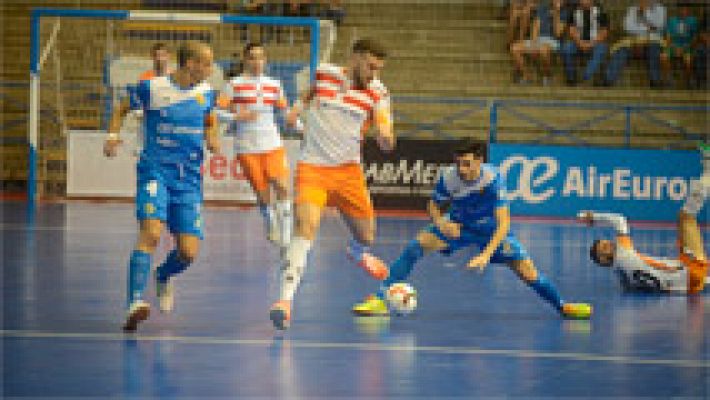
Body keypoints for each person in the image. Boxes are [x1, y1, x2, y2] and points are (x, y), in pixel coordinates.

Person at [352, 141, 593, 320]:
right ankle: (381, 299)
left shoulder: (493, 180)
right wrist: (440, 224)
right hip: (460, 226)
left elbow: (504, 223)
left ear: (479, 161)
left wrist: (486, 254)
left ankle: (563, 306)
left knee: (529, 273)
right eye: (458, 163)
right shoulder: (449, 177)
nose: (462, 169)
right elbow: (433, 205)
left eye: (467, 164)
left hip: (491, 232)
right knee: (416, 246)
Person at [269, 38, 395, 330]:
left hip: (349, 172)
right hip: (313, 167)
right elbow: (311, 91)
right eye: (370, 66)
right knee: (305, 227)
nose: (374, 74)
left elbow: (385, 125)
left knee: (367, 235)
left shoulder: (378, 92)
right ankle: (284, 301)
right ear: (355, 59)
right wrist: (297, 108)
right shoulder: (325, 73)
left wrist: (386, 137)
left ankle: (356, 251)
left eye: (379, 69)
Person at [104, 41, 220, 332]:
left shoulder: (206, 93)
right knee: (151, 231)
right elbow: (121, 109)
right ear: (189, 63)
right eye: (206, 63)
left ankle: (164, 275)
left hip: (189, 179)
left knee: (189, 252)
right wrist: (112, 135)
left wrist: (212, 137)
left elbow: (210, 117)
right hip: (156, 171)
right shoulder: (152, 88)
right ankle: (134, 302)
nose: (210, 69)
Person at [578, 146, 709, 294]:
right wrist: (594, 217)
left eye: (605, 242)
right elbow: (619, 220)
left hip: (687, 286)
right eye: (603, 247)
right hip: (690, 272)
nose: (609, 243)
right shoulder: (622, 254)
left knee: (682, 227)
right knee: (686, 217)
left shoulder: (622, 277)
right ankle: (708, 168)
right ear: (603, 260)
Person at [217, 42, 292, 248]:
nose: (257, 62)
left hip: (272, 143)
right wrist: (236, 115)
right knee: (262, 193)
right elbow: (216, 113)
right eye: (252, 57)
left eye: (260, 57)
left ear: (265, 60)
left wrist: (300, 125)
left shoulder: (275, 84)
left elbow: (285, 112)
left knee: (282, 186)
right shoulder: (233, 85)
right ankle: (270, 221)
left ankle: (287, 234)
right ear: (245, 59)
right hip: (247, 146)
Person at [605, 0, 666, 88]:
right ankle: (608, 80)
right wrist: (648, 28)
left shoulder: (660, 9)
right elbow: (627, 27)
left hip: (653, 41)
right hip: (634, 40)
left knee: (654, 51)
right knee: (621, 52)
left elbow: (660, 25)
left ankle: (655, 81)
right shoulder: (633, 9)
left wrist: (644, 14)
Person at [510, 0, 568, 85]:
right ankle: (526, 76)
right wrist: (533, 43)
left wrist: (556, 15)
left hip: (552, 41)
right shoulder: (543, 8)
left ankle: (547, 76)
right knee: (514, 48)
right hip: (538, 39)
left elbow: (557, 33)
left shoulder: (564, 13)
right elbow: (535, 26)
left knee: (543, 50)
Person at [561, 0, 610, 86]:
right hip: (578, 43)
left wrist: (591, 44)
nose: (585, 1)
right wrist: (580, 42)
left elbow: (604, 32)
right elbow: (571, 30)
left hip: (595, 43)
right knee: (567, 48)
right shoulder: (574, 11)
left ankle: (586, 76)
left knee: (602, 49)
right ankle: (571, 78)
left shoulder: (600, 11)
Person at [660, 3, 698, 88]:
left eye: (685, 10)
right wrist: (674, 47)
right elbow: (668, 37)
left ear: (689, 11)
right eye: (681, 9)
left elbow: (695, 38)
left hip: (687, 46)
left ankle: (688, 80)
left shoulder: (693, 21)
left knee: (688, 60)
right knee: (663, 56)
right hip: (673, 45)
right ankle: (668, 79)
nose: (683, 12)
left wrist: (685, 48)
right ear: (678, 10)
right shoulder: (671, 20)